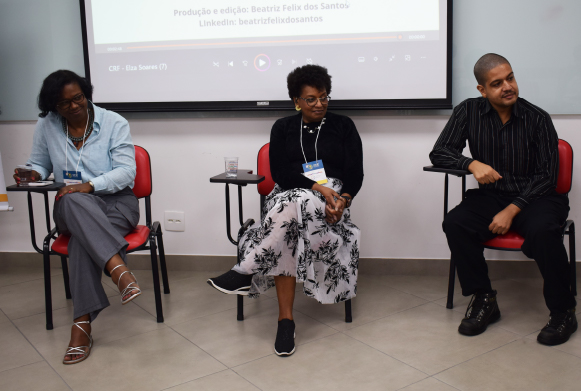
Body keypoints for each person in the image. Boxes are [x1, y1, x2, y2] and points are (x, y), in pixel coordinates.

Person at [208, 64, 364, 356]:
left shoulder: (344, 125)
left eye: (324, 97)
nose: (320, 104)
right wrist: (316, 188)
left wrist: (342, 200)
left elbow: (355, 173)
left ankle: (249, 276)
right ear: (296, 101)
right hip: (291, 198)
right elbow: (280, 172)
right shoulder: (282, 127)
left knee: (290, 210)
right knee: (291, 208)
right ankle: (285, 322)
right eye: (311, 99)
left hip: (331, 203)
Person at [430, 54, 577, 345]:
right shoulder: (468, 111)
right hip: (491, 195)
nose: (508, 86)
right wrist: (471, 164)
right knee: (456, 223)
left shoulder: (537, 118)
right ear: (482, 90)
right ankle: (485, 299)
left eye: (510, 78)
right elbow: (440, 152)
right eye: (497, 83)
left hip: (539, 197)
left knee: (544, 231)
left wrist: (513, 209)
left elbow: (547, 177)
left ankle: (564, 312)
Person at [14, 70, 142, 364]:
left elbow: (126, 173)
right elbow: (40, 164)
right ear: (52, 107)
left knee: (82, 242)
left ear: (86, 95)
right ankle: (119, 270)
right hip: (70, 205)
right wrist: (32, 173)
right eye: (63, 103)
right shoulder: (47, 125)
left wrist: (90, 185)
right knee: (72, 199)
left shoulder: (114, 122)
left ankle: (81, 326)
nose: (73, 106)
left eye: (78, 98)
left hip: (116, 203)